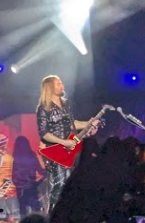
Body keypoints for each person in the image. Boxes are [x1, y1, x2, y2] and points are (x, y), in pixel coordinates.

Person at [36, 74, 99, 213]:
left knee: (69, 182)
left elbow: (72, 124)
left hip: (68, 149)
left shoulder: (65, 104)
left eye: (61, 83)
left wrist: (88, 123)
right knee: (59, 183)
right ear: (50, 88)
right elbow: (44, 133)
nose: (62, 86)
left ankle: (65, 214)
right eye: (58, 84)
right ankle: (52, 215)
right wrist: (63, 142)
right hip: (53, 150)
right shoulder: (44, 108)